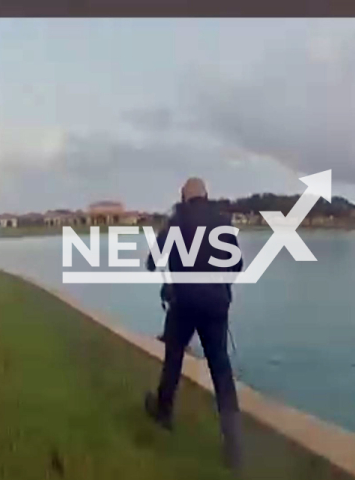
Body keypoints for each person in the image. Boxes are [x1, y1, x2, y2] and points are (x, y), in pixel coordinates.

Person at [144, 177, 244, 471]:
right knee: (221, 370)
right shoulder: (223, 222)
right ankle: (235, 446)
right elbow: (236, 264)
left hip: (184, 303)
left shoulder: (176, 222)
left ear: (183, 197)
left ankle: (163, 413)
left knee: (173, 357)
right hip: (215, 304)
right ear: (206, 196)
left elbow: (152, 262)